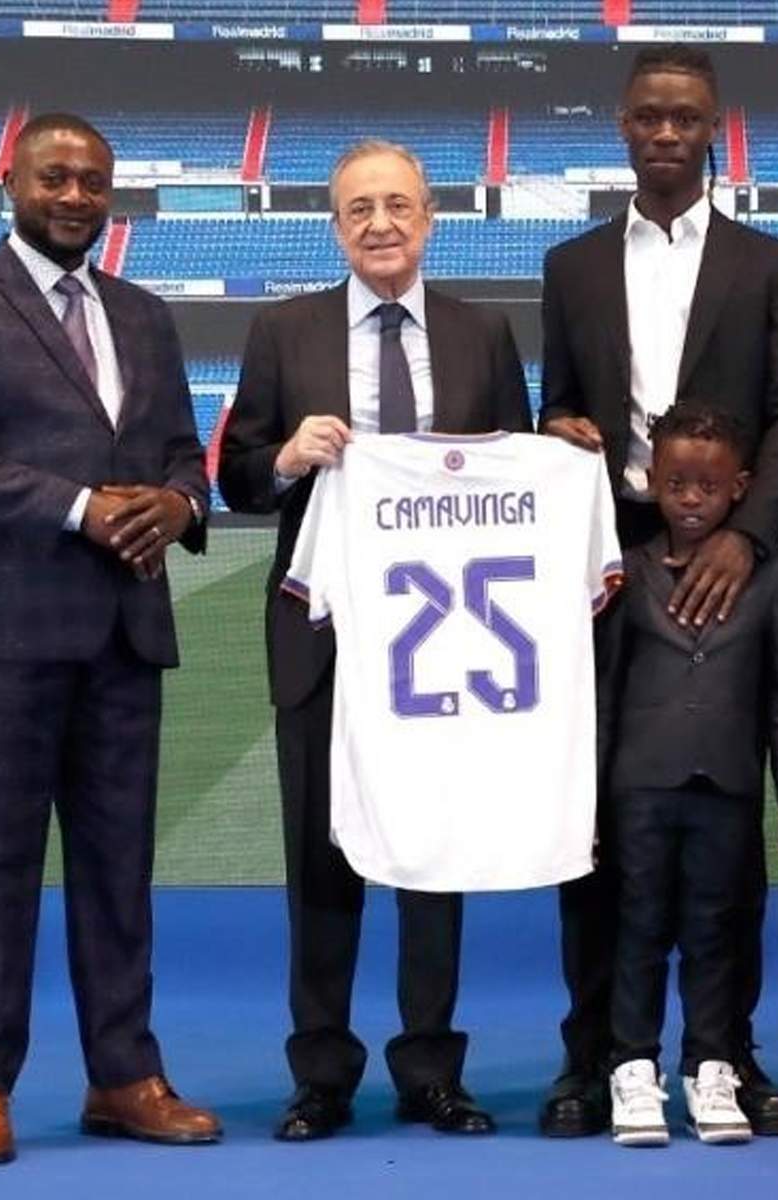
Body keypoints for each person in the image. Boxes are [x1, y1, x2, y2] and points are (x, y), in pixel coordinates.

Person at [0, 112, 219, 1166]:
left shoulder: (145, 315)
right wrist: (80, 506)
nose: (75, 196)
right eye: (55, 178)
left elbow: (181, 457)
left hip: (125, 629)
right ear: (12, 180)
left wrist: (176, 507)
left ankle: (123, 1075)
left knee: (119, 872)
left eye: (92, 182)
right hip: (4, 629)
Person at [217, 139, 530, 1141]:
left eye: (397, 204)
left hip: (443, 645)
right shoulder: (282, 329)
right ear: (336, 225)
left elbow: (516, 477)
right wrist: (283, 456)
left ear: (429, 217)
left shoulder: (484, 335)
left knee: (431, 856)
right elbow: (233, 475)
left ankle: (431, 1068)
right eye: (360, 208)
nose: (381, 223)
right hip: (322, 635)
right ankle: (322, 1073)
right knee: (321, 858)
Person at [537, 43, 778, 1138]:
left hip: (730, 551)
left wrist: (747, 535)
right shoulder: (568, 269)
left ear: (714, 128)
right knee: (603, 815)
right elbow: (562, 411)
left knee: (719, 830)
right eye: (648, 115)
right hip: (607, 564)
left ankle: (725, 1053)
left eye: (685, 117)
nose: (665, 132)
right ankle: (597, 1057)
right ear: (622, 125)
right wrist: (555, 432)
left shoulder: (763, 267)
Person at [599, 404, 778, 1148]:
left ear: (741, 489)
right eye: (676, 484)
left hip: (726, 786)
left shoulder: (770, 579)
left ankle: (712, 1067)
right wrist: (590, 795)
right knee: (636, 929)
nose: (691, 498)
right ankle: (632, 1066)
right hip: (639, 787)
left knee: (714, 932)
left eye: (708, 486)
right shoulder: (625, 575)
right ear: (651, 483)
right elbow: (603, 693)